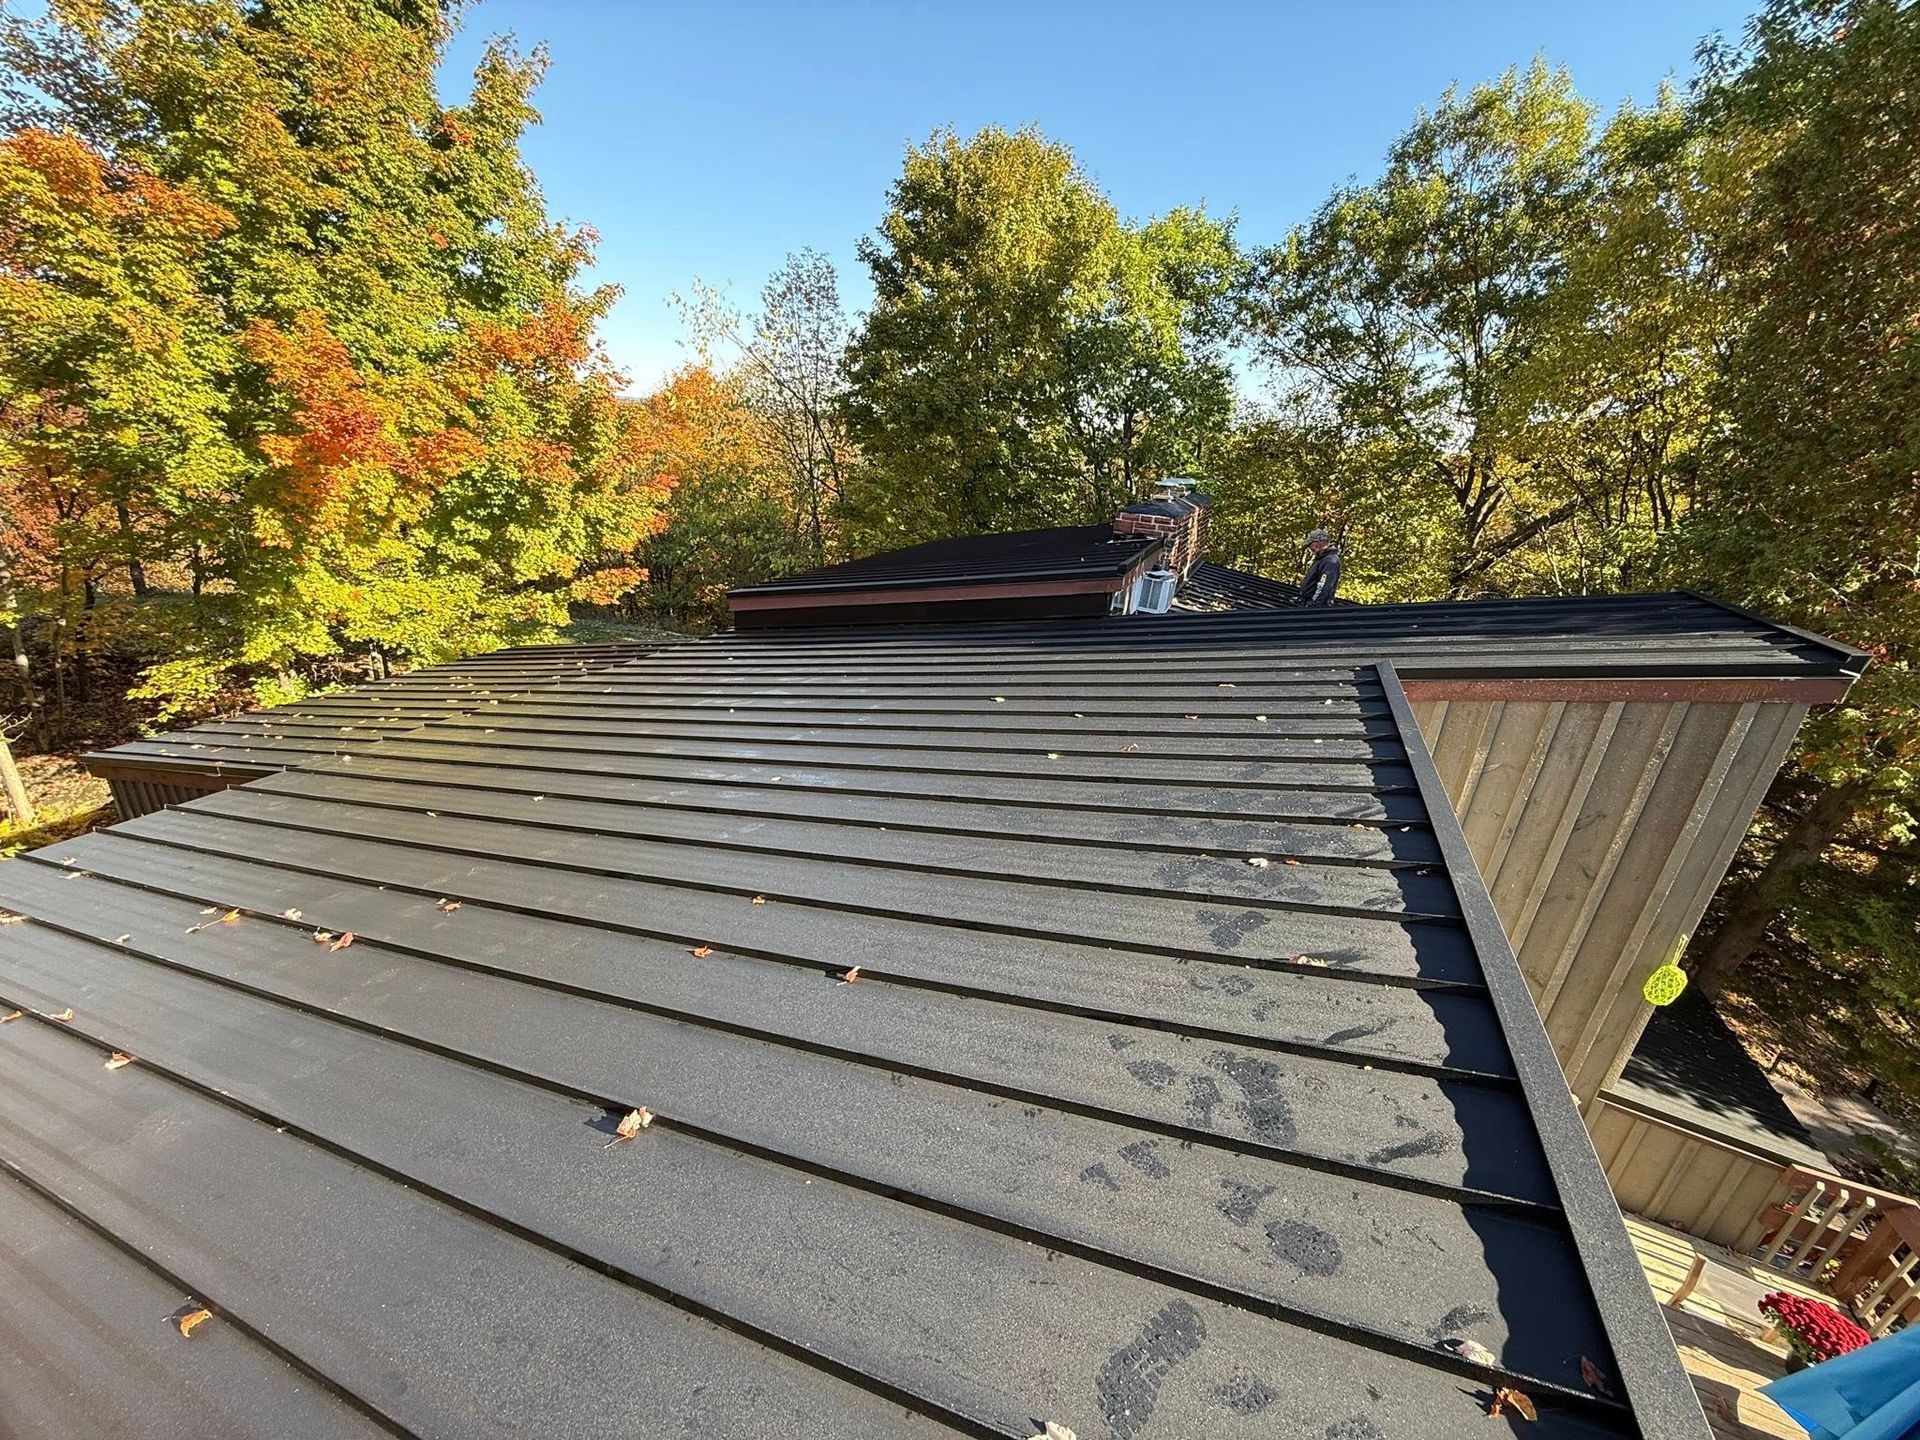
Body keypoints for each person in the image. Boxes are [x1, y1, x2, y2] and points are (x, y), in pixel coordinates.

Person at [1300, 529, 1342, 606]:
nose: (1310, 549)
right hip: (1309, 603)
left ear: (1317, 543)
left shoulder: (1330, 561)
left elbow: (1324, 587)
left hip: (1315, 607)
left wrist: (1314, 607)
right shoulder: (1322, 559)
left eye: (1310, 545)